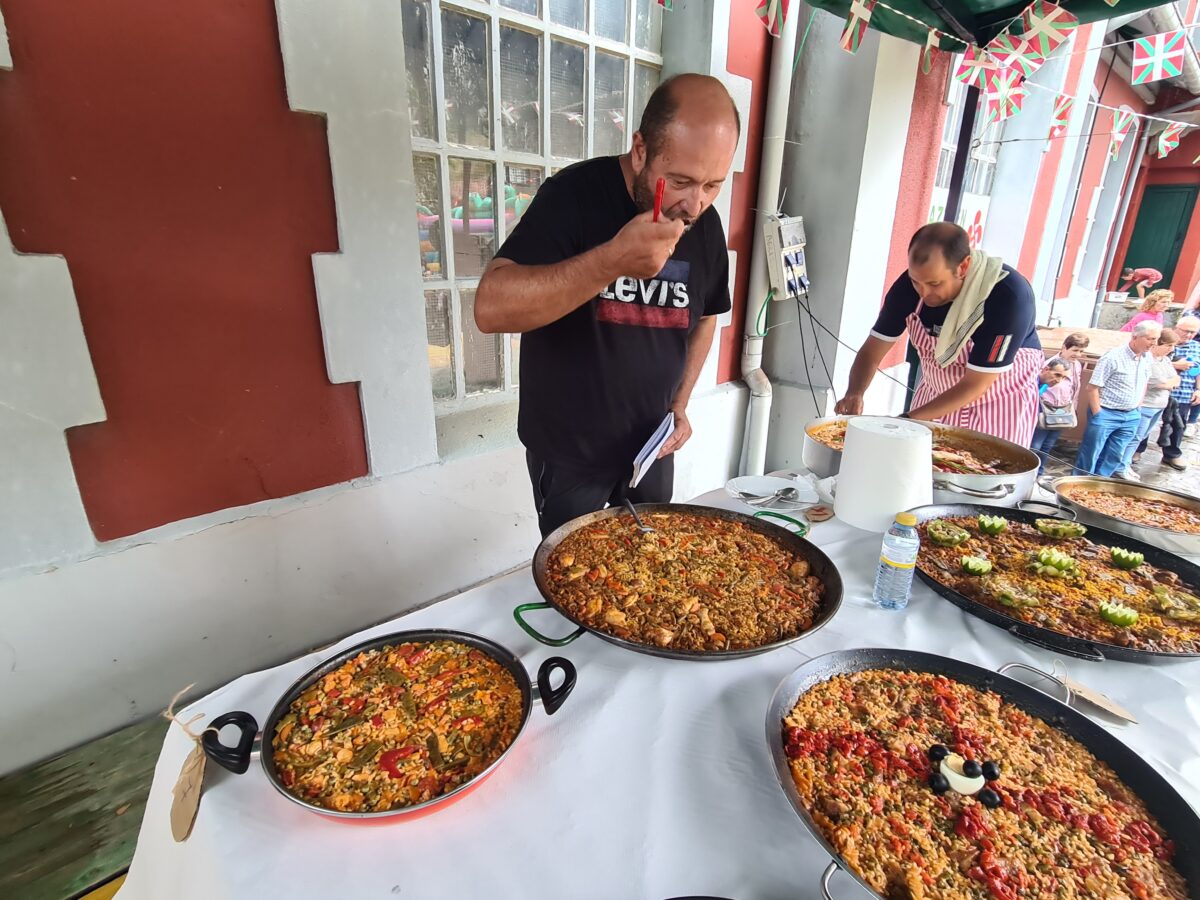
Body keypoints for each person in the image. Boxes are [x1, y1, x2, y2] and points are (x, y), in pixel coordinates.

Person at [474, 74, 739, 537]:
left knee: (649, 573)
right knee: (575, 580)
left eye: (713, 185)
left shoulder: (705, 223)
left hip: (651, 448)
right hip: (569, 453)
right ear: (640, 150)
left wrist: (680, 402)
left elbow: (708, 314)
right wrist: (612, 259)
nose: (694, 204)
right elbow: (490, 308)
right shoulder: (573, 196)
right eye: (679, 181)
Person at [835, 223, 1043, 446]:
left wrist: (905, 421)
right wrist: (855, 392)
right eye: (917, 282)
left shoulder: (1008, 297)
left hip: (998, 403)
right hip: (935, 395)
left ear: (963, 267)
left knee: (980, 473)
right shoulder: (907, 287)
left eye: (935, 283)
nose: (924, 293)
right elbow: (872, 350)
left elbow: (975, 384)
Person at [1074, 321, 1159, 477]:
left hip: (1131, 414)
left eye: (1156, 339)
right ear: (1135, 337)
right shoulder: (1113, 357)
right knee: (1090, 453)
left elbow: (1144, 382)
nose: (1153, 343)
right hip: (1106, 412)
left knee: (1115, 455)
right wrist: (1098, 413)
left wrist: (1138, 406)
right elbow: (1092, 387)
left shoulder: (1147, 358)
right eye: (1150, 339)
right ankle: (1078, 483)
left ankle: (1100, 484)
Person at [1116, 328, 1179, 480]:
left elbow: (1176, 379)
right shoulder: (1148, 359)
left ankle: (1125, 464)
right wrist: (1169, 383)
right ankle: (1121, 466)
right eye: (1168, 345)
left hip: (1160, 404)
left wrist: (1170, 382)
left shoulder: (1165, 360)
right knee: (1134, 437)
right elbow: (1157, 382)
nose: (1171, 349)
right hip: (1146, 405)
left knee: (1142, 436)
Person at [1029, 333, 1090, 473]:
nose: (1078, 354)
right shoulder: (1050, 364)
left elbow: (1075, 387)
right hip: (1045, 409)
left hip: (1062, 410)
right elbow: (1038, 388)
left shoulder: (1076, 366)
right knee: (1035, 445)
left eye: (1081, 351)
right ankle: (1029, 472)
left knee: (1048, 445)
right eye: (1075, 350)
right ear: (1064, 347)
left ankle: (1039, 473)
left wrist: (1072, 407)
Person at [1158, 315, 1200, 471]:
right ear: (1177, 327)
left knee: (1178, 424)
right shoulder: (1164, 340)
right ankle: (1138, 450)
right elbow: (1154, 359)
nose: (1188, 335)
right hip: (1161, 389)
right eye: (1185, 331)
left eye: (1193, 332)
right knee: (1148, 423)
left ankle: (1172, 454)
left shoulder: (1196, 347)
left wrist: (1198, 390)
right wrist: (1177, 365)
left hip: (1184, 392)